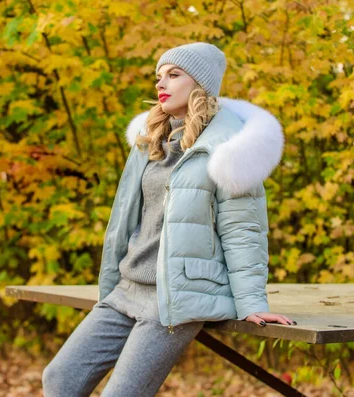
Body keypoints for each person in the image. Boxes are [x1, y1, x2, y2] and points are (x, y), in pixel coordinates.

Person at [42, 42, 296, 397]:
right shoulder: (151, 142)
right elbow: (124, 221)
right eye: (159, 76)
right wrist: (111, 281)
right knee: (59, 378)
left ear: (200, 84)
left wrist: (253, 303)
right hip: (127, 289)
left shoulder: (231, 148)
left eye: (174, 75)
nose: (161, 83)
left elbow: (243, 231)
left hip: (175, 300)